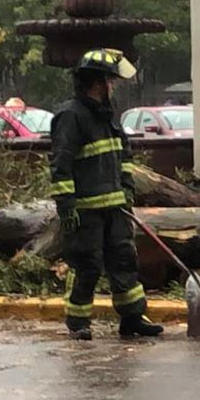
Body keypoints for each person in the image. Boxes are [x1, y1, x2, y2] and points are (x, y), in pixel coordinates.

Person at [50, 48, 164, 341]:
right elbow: (61, 164)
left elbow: (123, 155)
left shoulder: (107, 116)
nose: (113, 86)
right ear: (98, 82)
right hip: (85, 210)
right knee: (87, 264)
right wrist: (66, 206)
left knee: (124, 261)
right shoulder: (70, 117)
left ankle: (132, 318)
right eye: (111, 81)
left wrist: (127, 189)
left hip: (115, 207)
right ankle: (78, 323)